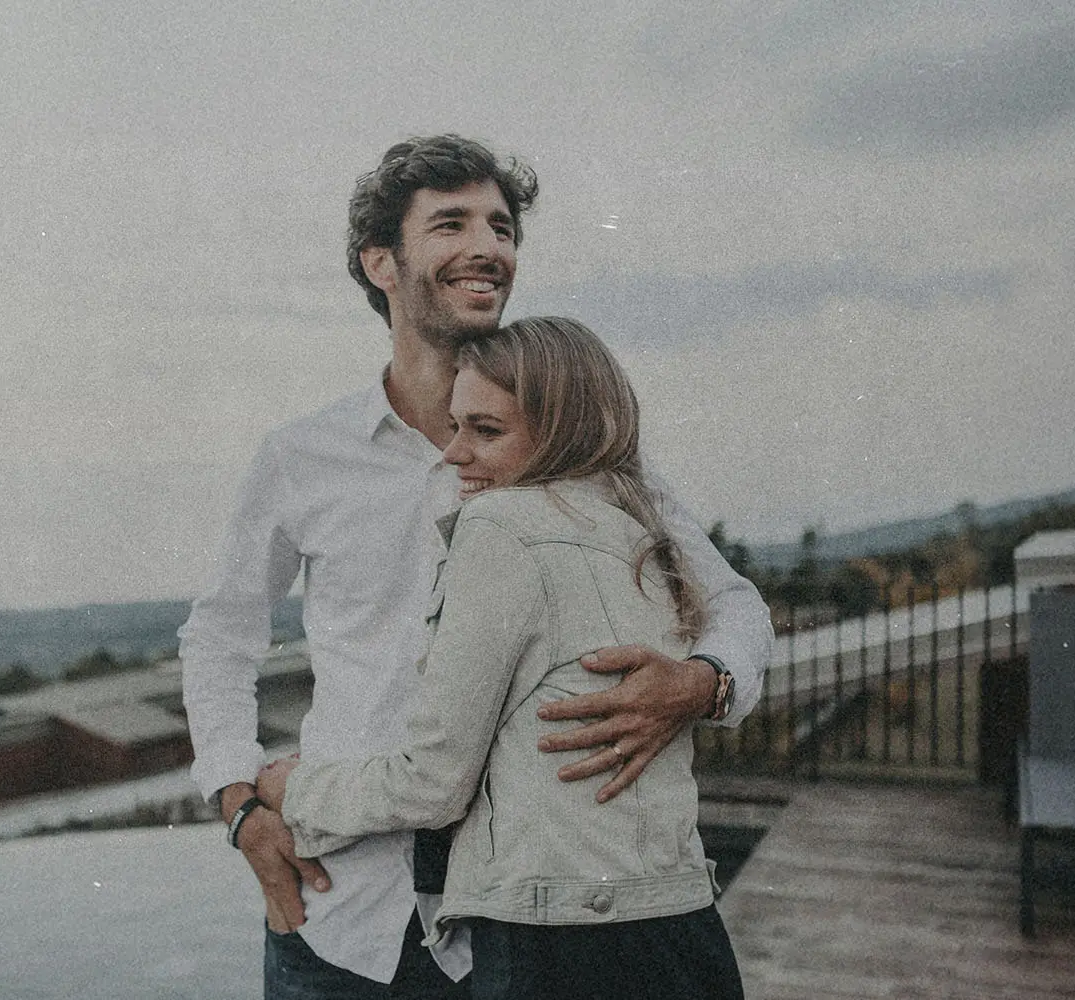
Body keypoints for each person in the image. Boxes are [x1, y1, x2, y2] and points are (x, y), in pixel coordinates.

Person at [179, 135, 772, 998]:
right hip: (343, 915)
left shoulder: (588, 460)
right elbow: (220, 637)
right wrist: (238, 806)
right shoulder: (301, 458)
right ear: (380, 262)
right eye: (451, 224)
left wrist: (704, 683)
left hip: (526, 933)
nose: (488, 246)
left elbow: (736, 605)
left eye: (501, 226)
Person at [257, 316, 745, 1000]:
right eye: (457, 426)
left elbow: (433, 783)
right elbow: (738, 606)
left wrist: (293, 790)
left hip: (559, 946)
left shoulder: (499, 528)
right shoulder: (644, 530)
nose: (454, 454)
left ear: (565, 430)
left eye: (486, 431)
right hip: (683, 927)